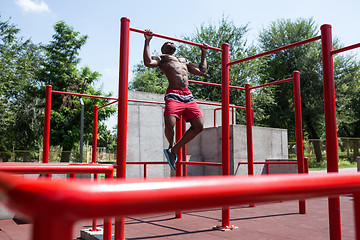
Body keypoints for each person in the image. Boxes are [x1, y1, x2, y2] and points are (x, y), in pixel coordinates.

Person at [143, 29, 208, 171]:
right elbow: (148, 62)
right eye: (167, 42)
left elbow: (202, 72)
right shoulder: (162, 58)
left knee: (199, 126)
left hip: (188, 95)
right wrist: (147, 41)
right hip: (173, 93)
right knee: (170, 124)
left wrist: (203, 52)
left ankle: (173, 151)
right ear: (164, 48)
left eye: (172, 42)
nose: (171, 42)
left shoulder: (184, 60)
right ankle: (171, 146)